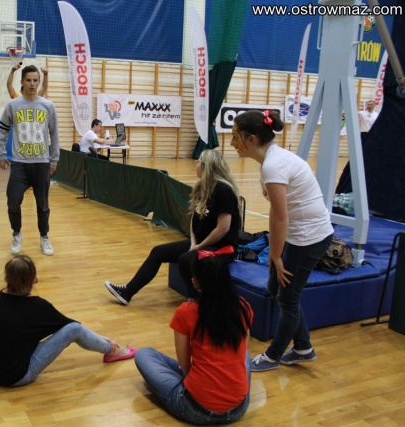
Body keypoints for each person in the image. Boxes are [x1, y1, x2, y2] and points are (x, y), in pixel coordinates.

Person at [231, 110, 333, 372]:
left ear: (251, 139)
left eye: (235, 137)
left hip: (309, 238)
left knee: (287, 298)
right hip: (297, 235)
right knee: (276, 288)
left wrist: (276, 256)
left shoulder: (274, 166)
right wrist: (275, 253)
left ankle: (273, 356)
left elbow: (281, 218)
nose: (232, 143)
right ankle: (303, 347)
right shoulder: (269, 162)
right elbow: (276, 214)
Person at [104, 149, 241, 305]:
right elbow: (194, 218)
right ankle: (127, 292)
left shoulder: (224, 190)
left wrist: (199, 246)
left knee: (186, 260)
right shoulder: (202, 187)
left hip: (221, 248)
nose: (196, 165)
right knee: (158, 252)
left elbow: (223, 228)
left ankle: (198, 302)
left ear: (206, 166)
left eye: (198, 163)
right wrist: (193, 242)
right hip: (201, 243)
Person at [0, 255, 136, 386]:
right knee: (74, 329)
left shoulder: (2, 294)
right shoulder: (38, 306)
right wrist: (104, 338)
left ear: (6, 278)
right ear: (34, 280)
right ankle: (113, 351)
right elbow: (71, 326)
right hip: (16, 376)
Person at [134, 252, 253, 425]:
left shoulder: (186, 311)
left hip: (196, 410)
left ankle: (198, 388)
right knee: (245, 355)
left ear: (195, 282)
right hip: (238, 409)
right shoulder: (243, 306)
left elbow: (185, 366)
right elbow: (243, 351)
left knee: (144, 354)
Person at [0, 65, 60, 257]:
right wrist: (1, 154)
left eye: (35, 80)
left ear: (39, 82)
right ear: (22, 82)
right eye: (28, 80)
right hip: (20, 164)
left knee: (43, 204)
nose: (32, 84)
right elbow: (3, 129)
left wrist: (54, 159)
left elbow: (54, 134)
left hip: (41, 163)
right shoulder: (13, 105)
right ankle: (17, 234)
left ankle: (44, 237)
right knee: (13, 201)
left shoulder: (48, 106)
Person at [335, 99, 379, 194]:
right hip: (363, 134)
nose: (369, 106)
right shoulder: (362, 113)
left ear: (374, 105)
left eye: (371, 104)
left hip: (372, 134)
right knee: (361, 151)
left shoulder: (376, 114)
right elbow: (351, 116)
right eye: (368, 104)